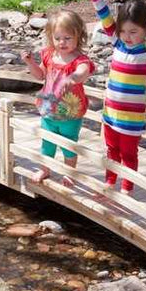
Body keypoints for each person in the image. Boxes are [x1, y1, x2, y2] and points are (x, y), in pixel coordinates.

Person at [85, 0, 146, 195]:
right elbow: (105, 18)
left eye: (133, 32)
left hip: (130, 118)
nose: (127, 36)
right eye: (123, 31)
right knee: (111, 150)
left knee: (128, 153)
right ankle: (110, 181)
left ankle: (127, 187)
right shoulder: (117, 43)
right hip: (110, 112)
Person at [21, 10, 95, 187]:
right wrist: (30, 62)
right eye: (58, 38)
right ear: (51, 37)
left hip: (70, 112)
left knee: (69, 146)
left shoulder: (80, 60)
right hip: (48, 109)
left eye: (67, 38)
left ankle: (70, 173)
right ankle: (45, 169)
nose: (62, 43)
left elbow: (83, 72)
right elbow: (40, 76)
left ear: (79, 36)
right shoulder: (48, 55)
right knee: (47, 143)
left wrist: (74, 78)